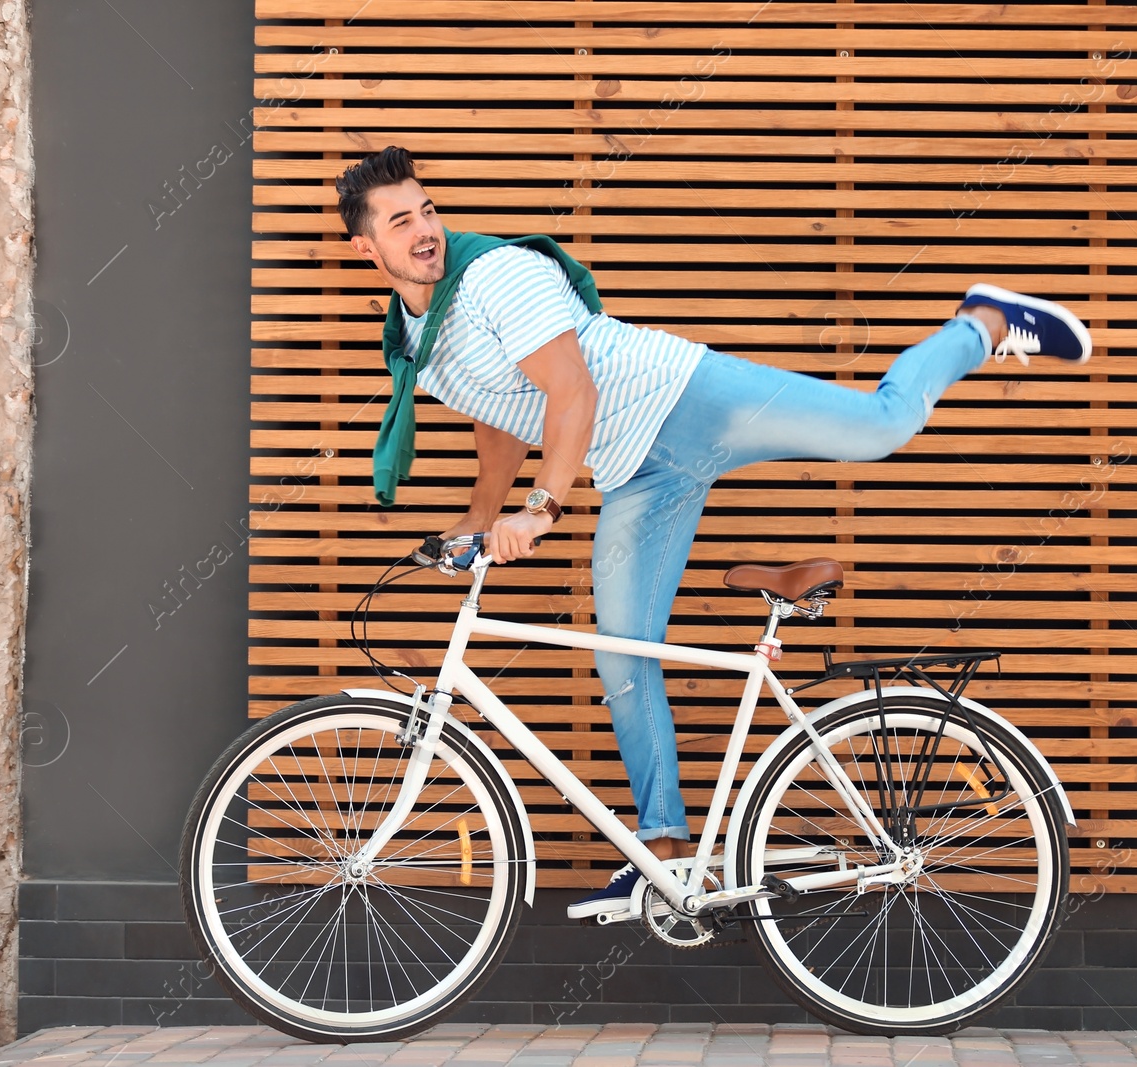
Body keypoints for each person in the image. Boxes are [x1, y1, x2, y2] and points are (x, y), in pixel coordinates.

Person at [335, 146, 1092, 919]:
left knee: (881, 426)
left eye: (427, 209)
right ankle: (664, 856)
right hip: (639, 472)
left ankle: (982, 323)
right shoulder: (417, 333)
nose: (426, 229)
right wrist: (477, 516)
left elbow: (570, 388)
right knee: (622, 657)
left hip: (685, 397)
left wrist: (542, 506)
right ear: (366, 247)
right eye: (402, 220)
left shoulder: (494, 275)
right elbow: (497, 415)